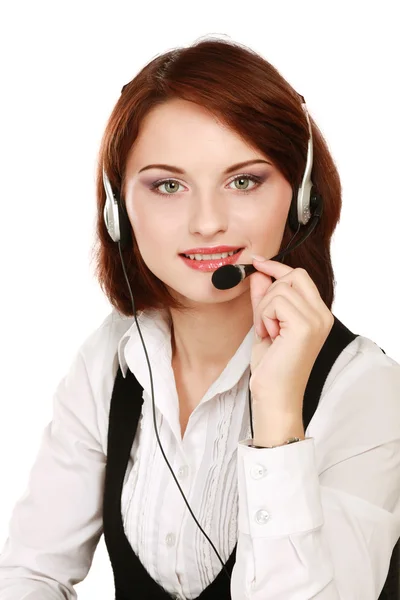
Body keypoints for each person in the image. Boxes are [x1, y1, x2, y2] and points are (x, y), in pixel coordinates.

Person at [0, 36, 399, 600]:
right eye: (168, 185)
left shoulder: (365, 389)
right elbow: (28, 574)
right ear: (118, 209)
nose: (207, 222)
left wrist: (280, 415)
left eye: (243, 180)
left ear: (300, 198)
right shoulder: (111, 360)